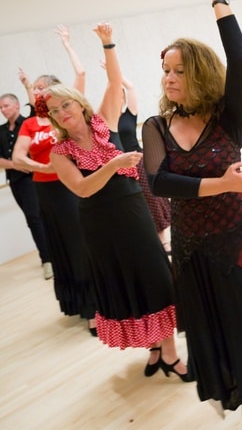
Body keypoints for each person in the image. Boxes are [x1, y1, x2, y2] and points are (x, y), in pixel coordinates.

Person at [142, 0, 242, 430]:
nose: (169, 78)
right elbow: (160, 182)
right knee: (221, 333)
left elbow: (239, 57)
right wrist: (220, 184)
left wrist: (219, 0)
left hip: (240, 238)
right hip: (191, 249)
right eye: (165, 70)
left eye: (179, 71)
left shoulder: (229, 115)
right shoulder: (156, 127)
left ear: (200, 74)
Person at [46, 22, 189, 379]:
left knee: (154, 275)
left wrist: (109, 44)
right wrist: (112, 164)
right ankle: (155, 348)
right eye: (55, 110)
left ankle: (168, 352)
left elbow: (114, 82)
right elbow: (82, 189)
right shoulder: (59, 153)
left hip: (132, 213)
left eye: (67, 105)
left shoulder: (104, 124)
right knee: (127, 282)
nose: (63, 113)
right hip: (99, 223)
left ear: (79, 106)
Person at [13, 27, 97, 335]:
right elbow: (19, 157)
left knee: (81, 244)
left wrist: (67, 45)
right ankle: (77, 302)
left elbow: (82, 74)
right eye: (32, 89)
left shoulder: (65, 117)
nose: (34, 92)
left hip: (71, 188)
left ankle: (94, 307)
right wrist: (48, 168)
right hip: (46, 191)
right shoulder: (31, 123)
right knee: (63, 246)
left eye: (38, 87)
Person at [115, 68, 172, 254]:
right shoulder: (103, 122)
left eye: (119, 95)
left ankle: (164, 241)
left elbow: (130, 88)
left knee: (153, 199)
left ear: (122, 99)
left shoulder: (128, 116)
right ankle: (150, 243)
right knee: (136, 204)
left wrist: (114, 74)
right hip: (121, 167)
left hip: (139, 161)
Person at [0, 89, 52, 279]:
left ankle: (50, 258)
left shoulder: (28, 123)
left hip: (35, 176)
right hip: (16, 180)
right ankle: (46, 257)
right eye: (1, 107)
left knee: (37, 217)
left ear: (16, 105)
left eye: (6, 106)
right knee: (32, 220)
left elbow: (37, 106)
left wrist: (27, 85)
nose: (3, 110)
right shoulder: (1, 131)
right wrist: (16, 162)